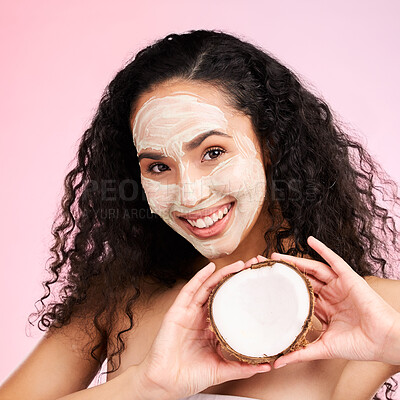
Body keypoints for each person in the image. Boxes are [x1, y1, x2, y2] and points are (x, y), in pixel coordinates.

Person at [1, 29, 400, 400]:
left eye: (213, 153)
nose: (189, 195)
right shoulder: (119, 299)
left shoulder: (370, 306)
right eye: (158, 167)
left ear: (271, 145)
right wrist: (147, 385)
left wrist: (393, 339)